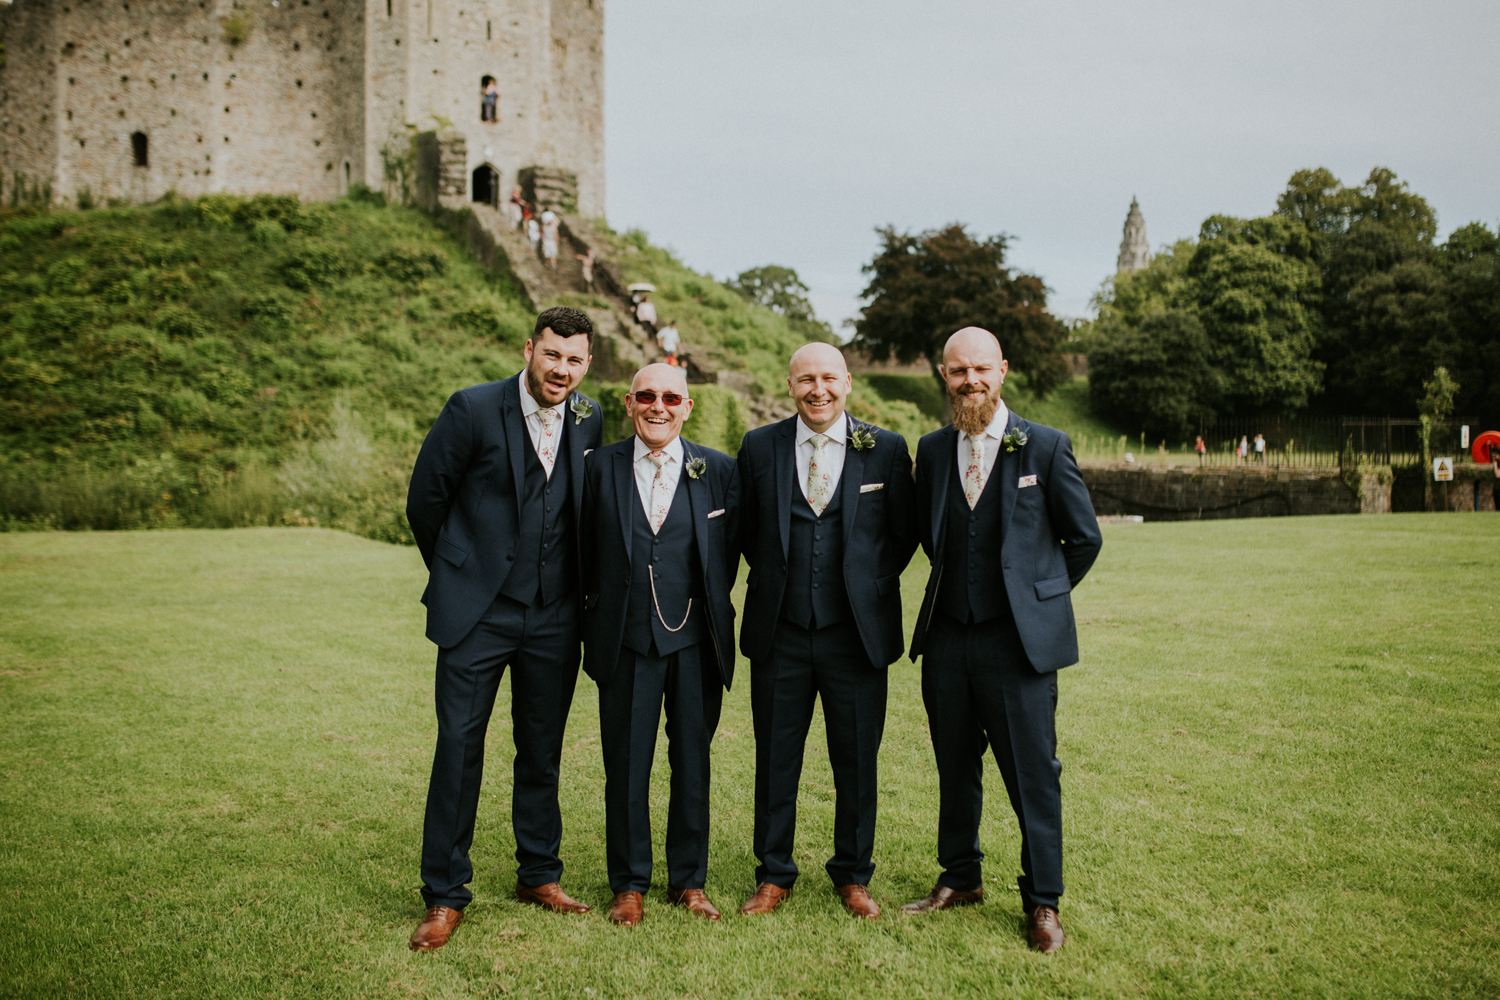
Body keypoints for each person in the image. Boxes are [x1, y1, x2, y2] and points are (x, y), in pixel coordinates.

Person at [404, 307, 604, 952]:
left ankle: (539, 875)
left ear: (587, 364)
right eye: (552, 356)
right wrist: (463, 572)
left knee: (541, 749)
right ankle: (444, 892)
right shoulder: (471, 408)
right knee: (459, 746)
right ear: (530, 350)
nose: (561, 370)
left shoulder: (590, 416)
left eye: (574, 360)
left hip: (554, 615)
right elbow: (425, 500)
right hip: (479, 614)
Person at [901, 327, 1101, 954]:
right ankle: (960, 877)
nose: (971, 381)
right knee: (954, 767)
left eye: (981, 369)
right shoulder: (933, 451)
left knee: (1031, 776)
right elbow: (930, 537)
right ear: (944, 375)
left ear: (1003, 370)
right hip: (947, 640)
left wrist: (1036, 601)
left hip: (1019, 649)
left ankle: (1043, 901)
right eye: (959, 371)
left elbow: (1084, 538)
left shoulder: (1044, 446)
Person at [735, 342, 919, 919]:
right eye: (806, 379)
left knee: (857, 760)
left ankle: (853, 874)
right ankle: (774, 874)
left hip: (856, 636)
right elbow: (744, 528)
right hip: (779, 631)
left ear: (847, 383)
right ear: (790, 385)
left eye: (829, 379)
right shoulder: (760, 447)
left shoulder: (885, 449)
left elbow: (905, 532)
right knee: (775, 758)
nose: (819, 390)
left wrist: (867, 583)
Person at [579, 364, 740, 927]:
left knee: (693, 761)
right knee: (625, 765)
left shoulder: (718, 469)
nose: (658, 406)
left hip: (696, 641)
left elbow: (735, 550)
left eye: (671, 397)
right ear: (628, 404)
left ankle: (689, 882)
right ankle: (628, 884)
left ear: (687, 407)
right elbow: (581, 550)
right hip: (623, 639)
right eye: (646, 396)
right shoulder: (598, 468)